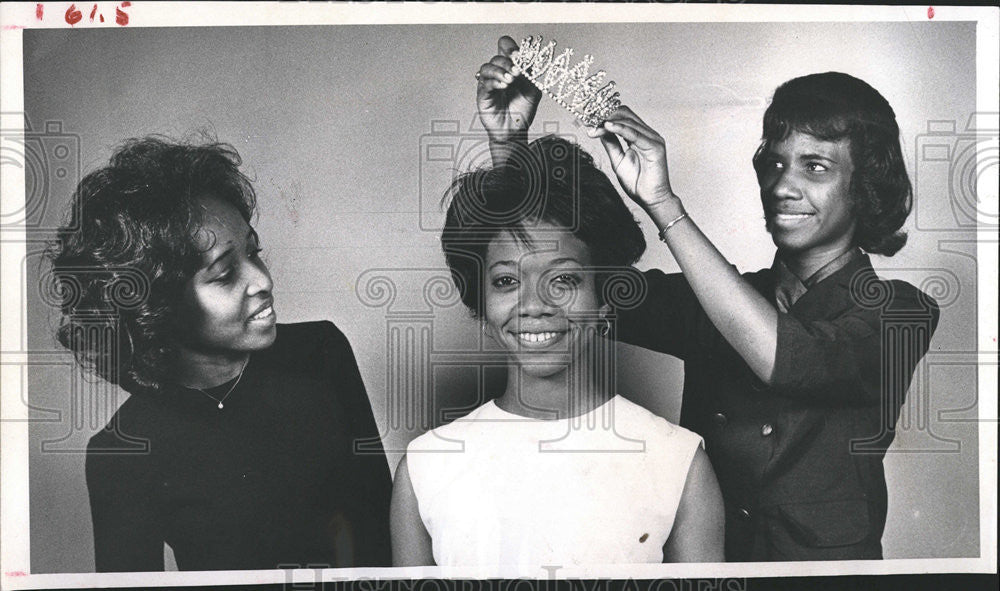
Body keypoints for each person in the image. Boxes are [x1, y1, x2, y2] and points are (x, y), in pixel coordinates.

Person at [476, 37, 939, 561]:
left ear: (867, 186)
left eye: (815, 167)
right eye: (776, 163)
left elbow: (790, 359)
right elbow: (570, 289)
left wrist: (664, 204)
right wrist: (509, 149)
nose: (783, 185)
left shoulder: (903, 311)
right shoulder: (713, 297)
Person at [46, 136, 392, 571]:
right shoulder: (122, 452)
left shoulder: (320, 352)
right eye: (226, 273)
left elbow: (383, 526)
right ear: (158, 307)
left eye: (254, 252)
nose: (262, 280)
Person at [389, 133, 725, 569]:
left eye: (563, 280)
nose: (533, 305)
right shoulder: (426, 466)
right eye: (506, 281)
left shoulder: (678, 461)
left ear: (605, 297)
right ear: (481, 303)